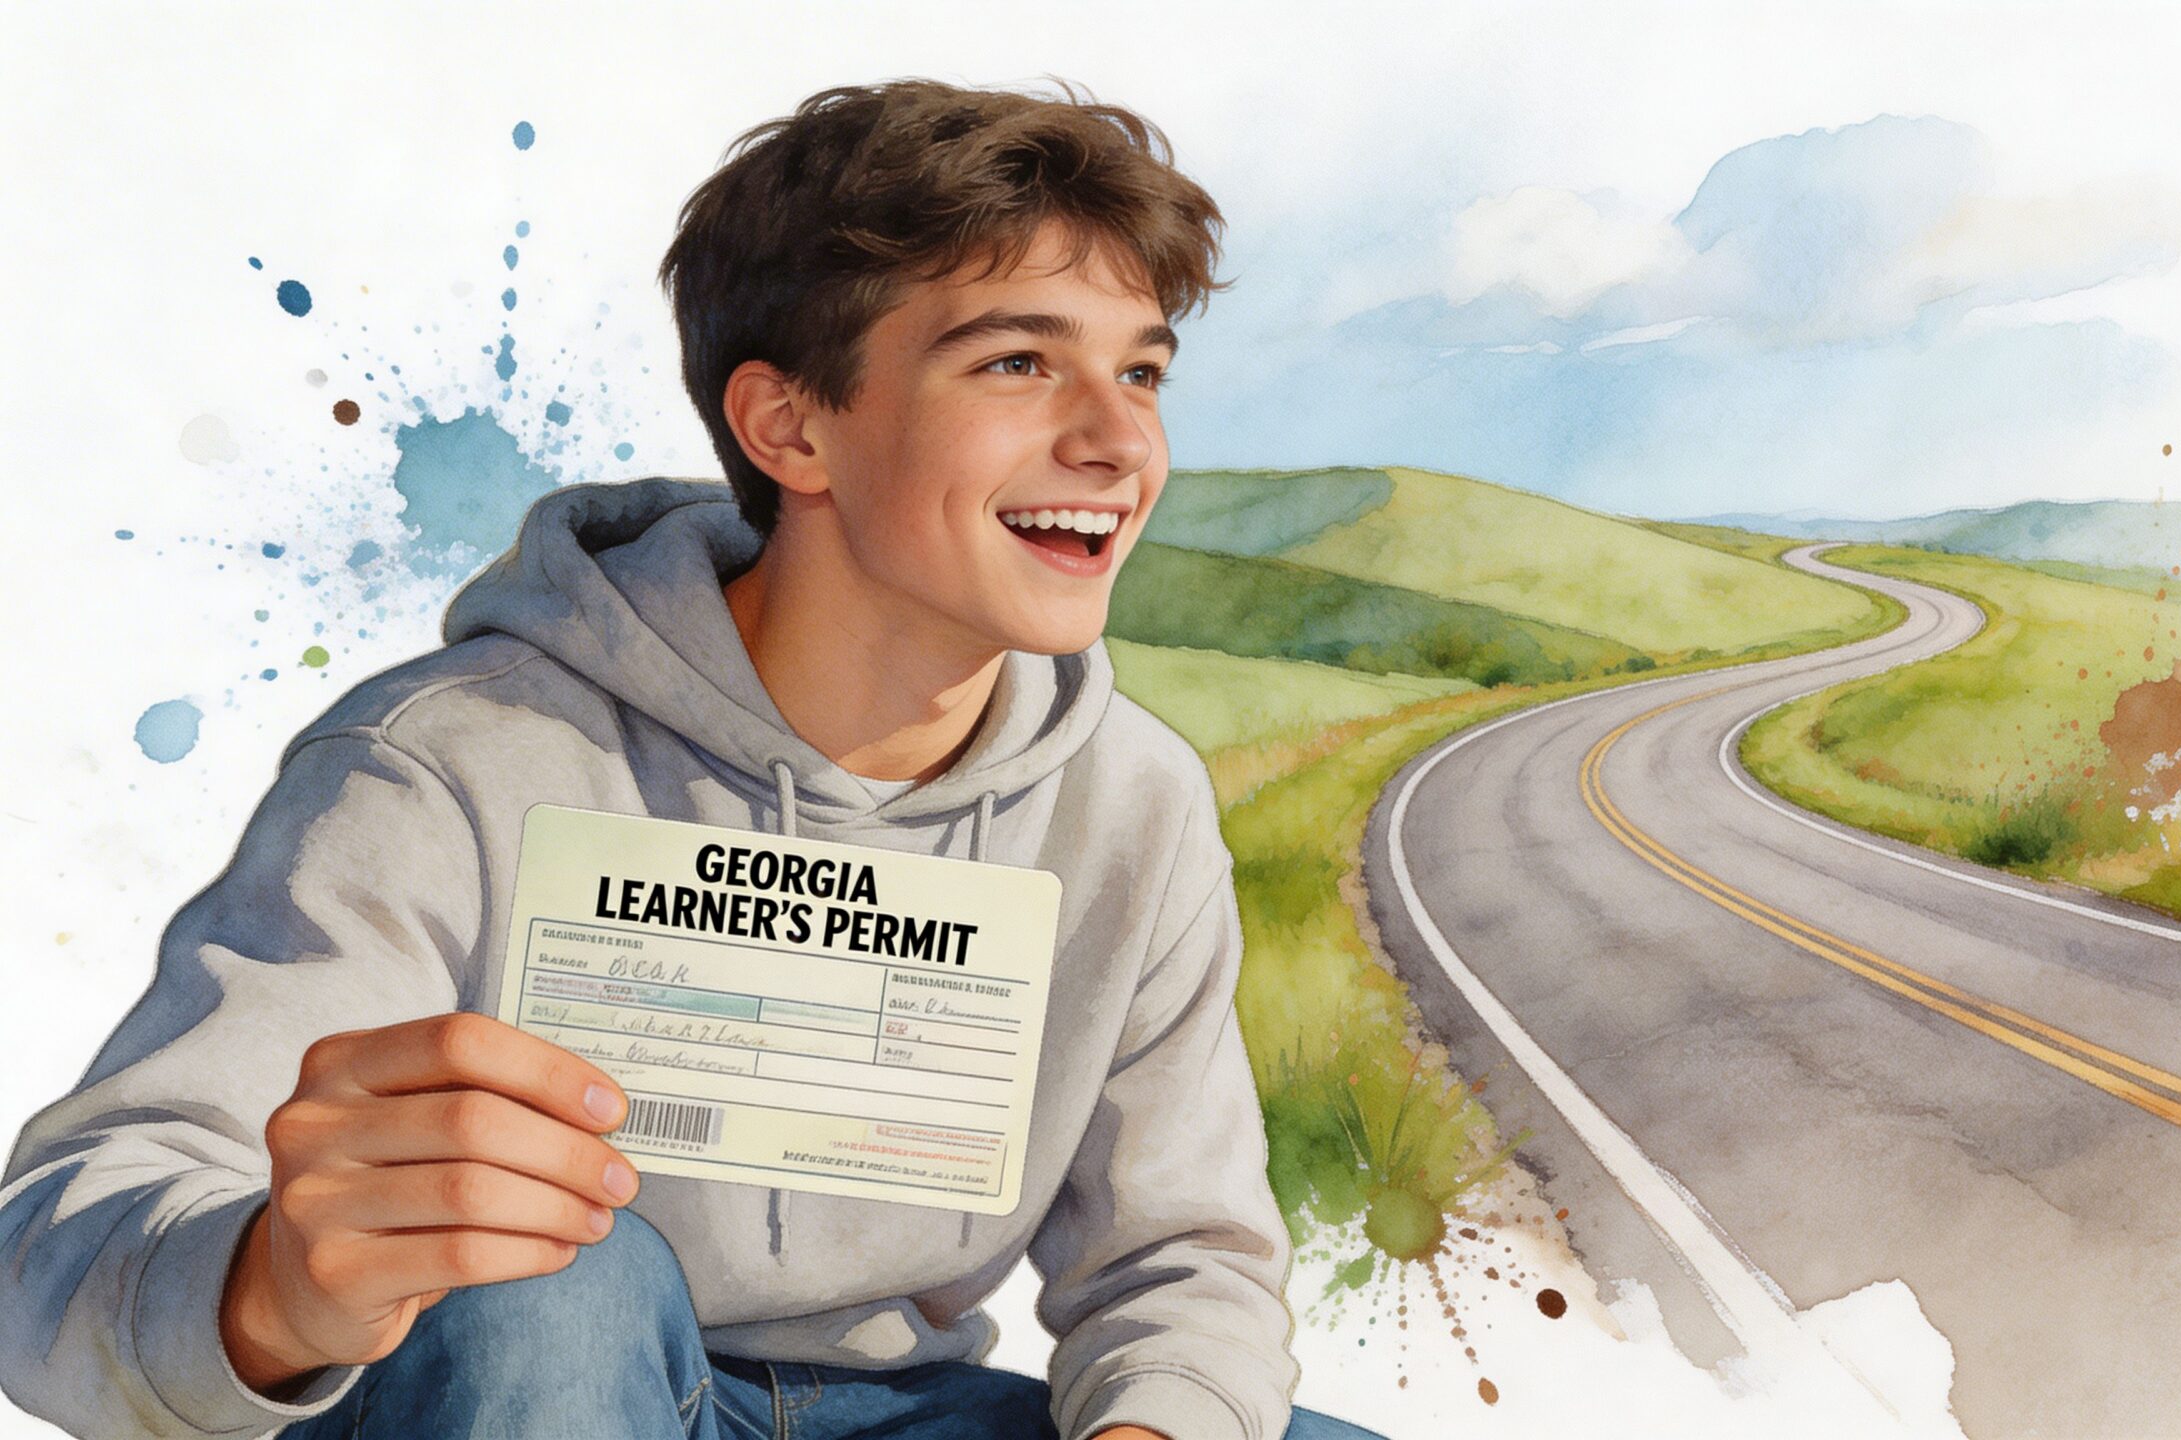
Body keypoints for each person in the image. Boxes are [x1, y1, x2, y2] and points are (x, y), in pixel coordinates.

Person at [0, 78, 1382, 1440]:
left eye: (1138, 368)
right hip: (511, 1388)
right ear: (792, 427)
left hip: (909, 1411)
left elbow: (1180, 1265)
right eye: (1017, 362)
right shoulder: (449, 762)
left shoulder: (1131, 799)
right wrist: (271, 1290)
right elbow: (57, 1238)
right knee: (540, 1286)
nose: (1117, 439)